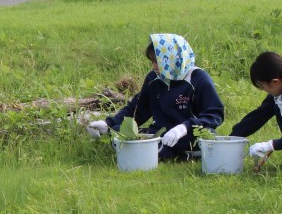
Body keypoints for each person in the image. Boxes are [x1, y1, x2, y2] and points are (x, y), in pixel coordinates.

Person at [86, 34, 225, 160]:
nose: (153, 67)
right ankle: (160, 151)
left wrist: (184, 127)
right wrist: (108, 124)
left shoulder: (198, 78)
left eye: (157, 62)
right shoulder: (154, 79)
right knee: (117, 132)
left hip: (188, 134)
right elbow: (136, 110)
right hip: (160, 133)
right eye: (152, 61)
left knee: (204, 135)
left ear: (171, 58)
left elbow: (214, 114)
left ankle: (180, 153)